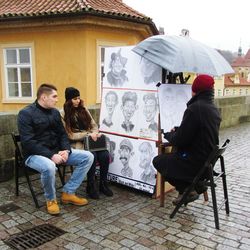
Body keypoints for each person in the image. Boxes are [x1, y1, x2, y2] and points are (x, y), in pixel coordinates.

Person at [18, 84, 94, 215]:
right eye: (54, 96)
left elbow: (62, 134)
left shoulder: (54, 112)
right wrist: (51, 155)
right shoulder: (26, 114)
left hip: (57, 151)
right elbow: (28, 142)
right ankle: (51, 200)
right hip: (34, 155)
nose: (57, 99)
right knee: (49, 166)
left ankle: (68, 192)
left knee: (88, 156)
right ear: (43, 97)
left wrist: (66, 150)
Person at [153, 75, 221, 205]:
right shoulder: (213, 109)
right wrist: (180, 129)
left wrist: (168, 135)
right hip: (206, 163)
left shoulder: (195, 109)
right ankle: (195, 187)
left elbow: (180, 141)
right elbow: (199, 131)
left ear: (195, 90)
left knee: (159, 161)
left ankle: (187, 189)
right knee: (173, 157)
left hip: (194, 164)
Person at [62, 87, 113, 199]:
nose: (78, 101)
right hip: (78, 144)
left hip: (92, 141)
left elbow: (94, 125)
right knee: (92, 156)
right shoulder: (63, 114)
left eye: (79, 98)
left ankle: (103, 184)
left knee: (105, 154)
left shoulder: (84, 109)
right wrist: (87, 135)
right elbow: (69, 135)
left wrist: (94, 134)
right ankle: (90, 185)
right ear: (69, 100)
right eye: (75, 98)